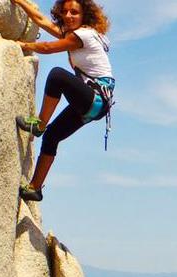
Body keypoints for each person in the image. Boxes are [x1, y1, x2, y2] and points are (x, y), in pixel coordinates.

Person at [10, 0, 114, 201]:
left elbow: (48, 47)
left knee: (57, 76)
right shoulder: (78, 34)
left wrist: (22, 45)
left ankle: (39, 125)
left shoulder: (82, 35)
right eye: (64, 12)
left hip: (96, 99)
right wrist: (20, 2)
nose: (68, 16)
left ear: (85, 15)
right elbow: (42, 21)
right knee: (52, 137)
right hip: (94, 105)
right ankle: (35, 188)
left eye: (74, 12)